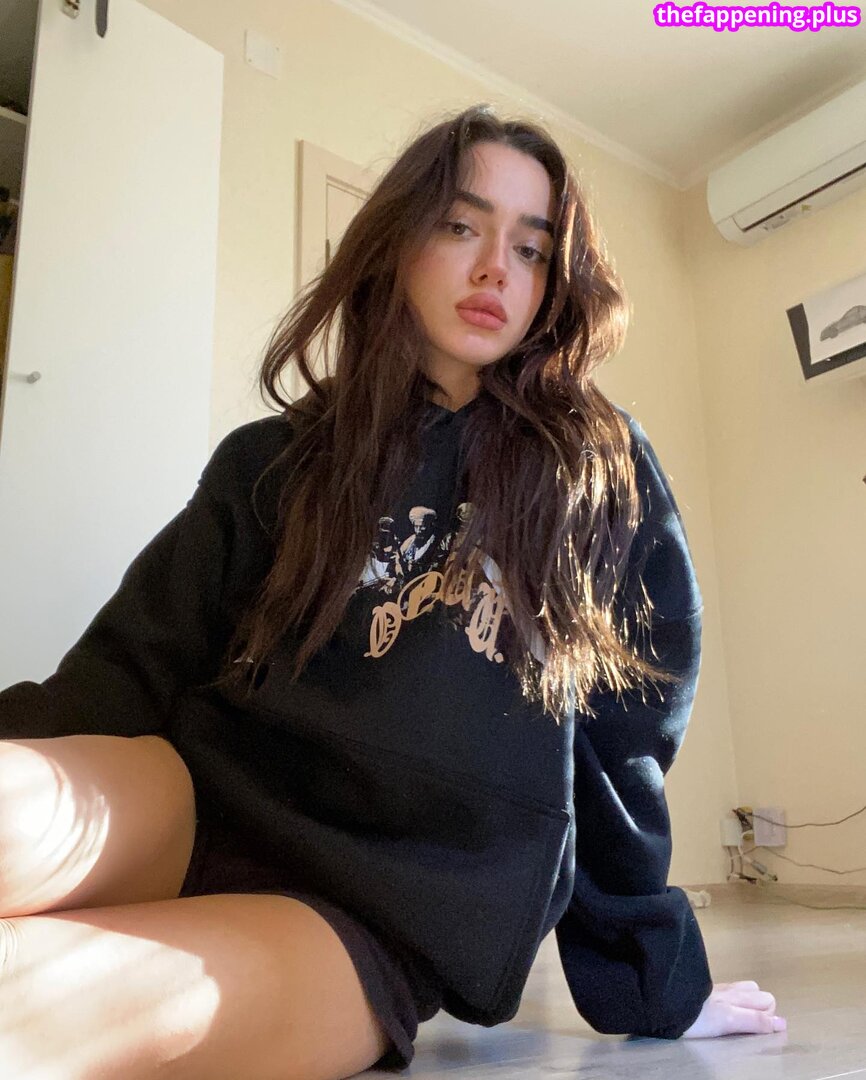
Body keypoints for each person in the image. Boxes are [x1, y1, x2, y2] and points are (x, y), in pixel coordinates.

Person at [0, 104, 785, 1079]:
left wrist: (652, 982)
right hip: (188, 795)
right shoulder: (274, 458)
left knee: (29, 1003)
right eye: (460, 225)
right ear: (399, 240)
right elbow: (128, 666)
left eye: (531, 249)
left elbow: (620, 744)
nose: (495, 269)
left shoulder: (592, 471)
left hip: (369, 913)